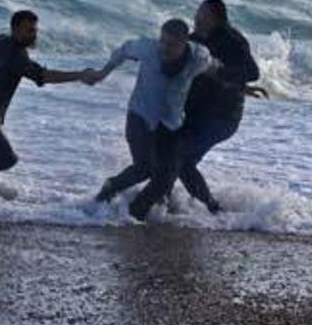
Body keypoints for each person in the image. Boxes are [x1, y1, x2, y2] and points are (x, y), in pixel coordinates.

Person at [0, 10, 101, 191]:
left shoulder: (0, 40)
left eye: (35, 30)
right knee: (5, 158)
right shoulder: (16, 55)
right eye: (29, 30)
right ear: (15, 29)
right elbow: (44, 76)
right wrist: (79, 75)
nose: (33, 35)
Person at [91, 19, 218, 221]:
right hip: (140, 116)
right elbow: (123, 50)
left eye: (172, 45)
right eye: (163, 42)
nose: (165, 48)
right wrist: (102, 73)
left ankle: (135, 215)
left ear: (185, 43)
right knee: (144, 168)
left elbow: (213, 68)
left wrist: (241, 87)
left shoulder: (198, 56)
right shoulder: (147, 48)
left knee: (166, 178)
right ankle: (111, 187)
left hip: (171, 123)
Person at [174, 0, 263, 214]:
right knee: (176, 160)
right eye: (197, 13)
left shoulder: (232, 40)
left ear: (214, 18)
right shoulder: (195, 39)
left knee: (179, 158)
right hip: (196, 113)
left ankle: (211, 209)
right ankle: (206, 208)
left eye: (201, 14)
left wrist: (219, 72)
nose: (196, 18)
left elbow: (252, 73)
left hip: (222, 117)